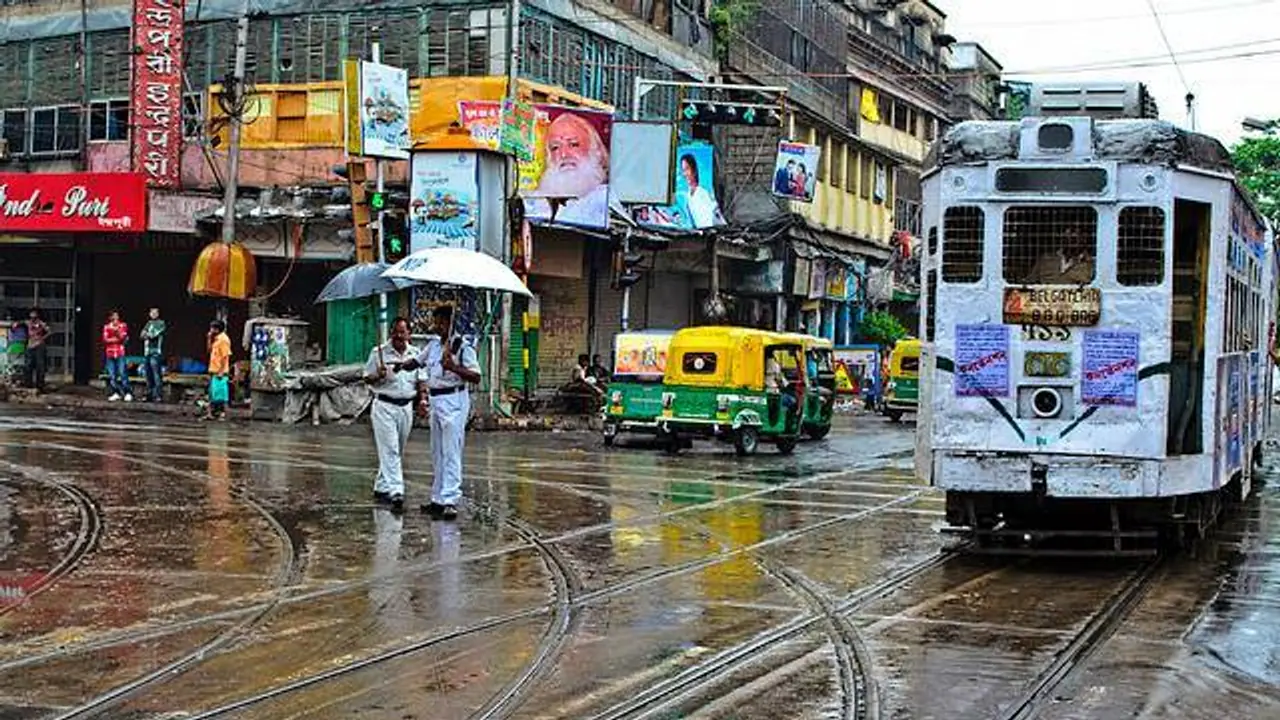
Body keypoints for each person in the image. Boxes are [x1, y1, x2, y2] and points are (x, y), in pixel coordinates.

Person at [398, 305, 481, 521]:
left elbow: (476, 376)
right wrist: (400, 365)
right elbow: (417, 361)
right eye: (436, 322)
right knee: (437, 451)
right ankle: (438, 498)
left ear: (451, 323)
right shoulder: (434, 345)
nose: (438, 326)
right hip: (436, 400)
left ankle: (450, 500)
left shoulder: (461, 346)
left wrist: (453, 367)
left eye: (442, 322)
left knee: (451, 450)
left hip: (454, 399)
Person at [363, 317, 425, 513]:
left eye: (402, 332)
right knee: (390, 449)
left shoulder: (415, 354)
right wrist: (378, 375)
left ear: (409, 334)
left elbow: (421, 379)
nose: (399, 335)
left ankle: (382, 486)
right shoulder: (378, 353)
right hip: (384, 406)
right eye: (396, 331)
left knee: (398, 448)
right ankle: (396, 491)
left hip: (406, 406)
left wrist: (423, 400)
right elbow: (366, 378)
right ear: (391, 333)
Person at [532, 112, 610, 226]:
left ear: (595, 150)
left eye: (573, 144)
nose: (564, 154)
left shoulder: (605, 198)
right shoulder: (535, 202)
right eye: (555, 148)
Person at [1028, 226, 1094, 284]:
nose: (1073, 235)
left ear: (1085, 239)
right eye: (1070, 231)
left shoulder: (1092, 264)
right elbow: (1030, 282)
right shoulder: (1046, 259)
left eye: (1078, 232)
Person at [679, 153, 721, 229]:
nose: (685, 174)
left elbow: (714, 216)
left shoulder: (702, 193)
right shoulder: (688, 195)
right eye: (683, 170)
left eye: (687, 169)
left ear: (694, 170)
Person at [205, 319, 232, 421]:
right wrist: (209, 338)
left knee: (221, 395)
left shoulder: (224, 340)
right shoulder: (216, 339)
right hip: (214, 369)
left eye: (212, 328)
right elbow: (209, 350)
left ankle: (223, 414)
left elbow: (225, 356)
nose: (211, 330)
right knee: (212, 393)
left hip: (220, 372)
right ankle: (210, 413)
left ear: (217, 329)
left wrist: (221, 371)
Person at [102, 310, 131, 402]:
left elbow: (122, 338)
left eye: (116, 316)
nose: (115, 318)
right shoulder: (106, 327)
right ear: (110, 317)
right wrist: (116, 339)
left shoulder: (122, 325)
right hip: (110, 353)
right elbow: (105, 339)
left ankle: (127, 392)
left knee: (122, 373)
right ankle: (116, 393)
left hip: (120, 352)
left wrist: (116, 332)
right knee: (112, 375)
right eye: (113, 316)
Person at [140, 307, 167, 402]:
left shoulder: (161, 323)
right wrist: (146, 334)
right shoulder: (148, 323)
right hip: (147, 352)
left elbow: (153, 335)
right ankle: (149, 395)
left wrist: (147, 334)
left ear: (158, 314)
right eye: (152, 313)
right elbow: (141, 335)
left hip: (156, 352)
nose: (153, 314)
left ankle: (158, 395)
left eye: (155, 313)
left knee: (156, 374)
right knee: (148, 374)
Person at [24, 309, 49, 392]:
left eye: (34, 316)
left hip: (39, 345)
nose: (33, 319)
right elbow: (21, 323)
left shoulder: (41, 323)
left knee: (40, 366)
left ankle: (40, 385)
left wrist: (42, 338)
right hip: (30, 345)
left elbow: (49, 331)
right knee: (28, 365)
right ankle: (28, 384)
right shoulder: (28, 323)